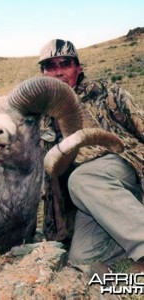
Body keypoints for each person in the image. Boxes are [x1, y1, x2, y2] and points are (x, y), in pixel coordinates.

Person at [38, 38, 144, 271]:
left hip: (122, 166)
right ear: (42, 73)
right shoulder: (41, 117)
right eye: (49, 66)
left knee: (83, 178)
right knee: (82, 259)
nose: (57, 72)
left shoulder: (105, 92)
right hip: (89, 197)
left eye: (65, 63)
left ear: (79, 68)